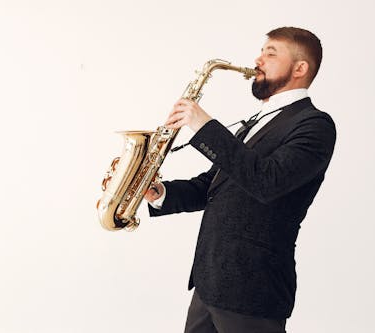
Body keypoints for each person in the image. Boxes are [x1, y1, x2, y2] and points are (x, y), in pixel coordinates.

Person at [144, 27, 336, 333]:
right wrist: (161, 193)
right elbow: (214, 186)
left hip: (253, 288)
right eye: (261, 51)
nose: (258, 59)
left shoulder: (315, 125)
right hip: (209, 283)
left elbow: (267, 182)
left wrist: (203, 125)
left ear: (300, 68)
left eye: (271, 53)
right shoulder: (256, 122)